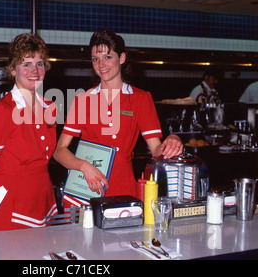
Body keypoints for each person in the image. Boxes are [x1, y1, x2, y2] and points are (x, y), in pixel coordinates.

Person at [53, 29, 183, 207]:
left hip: (123, 191)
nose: (101, 64)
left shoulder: (140, 98)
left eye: (108, 57)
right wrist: (83, 166)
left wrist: (172, 140)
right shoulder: (83, 100)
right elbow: (59, 151)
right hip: (83, 192)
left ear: (121, 58)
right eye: (95, 59)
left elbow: (156, 151)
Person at [0, 33, 58, 232]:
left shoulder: (50, 108)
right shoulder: (1, 111)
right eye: (26, 64)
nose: (35, 71)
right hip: (10, 205)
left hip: (42, 199)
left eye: (39, 64)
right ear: (13, 69)